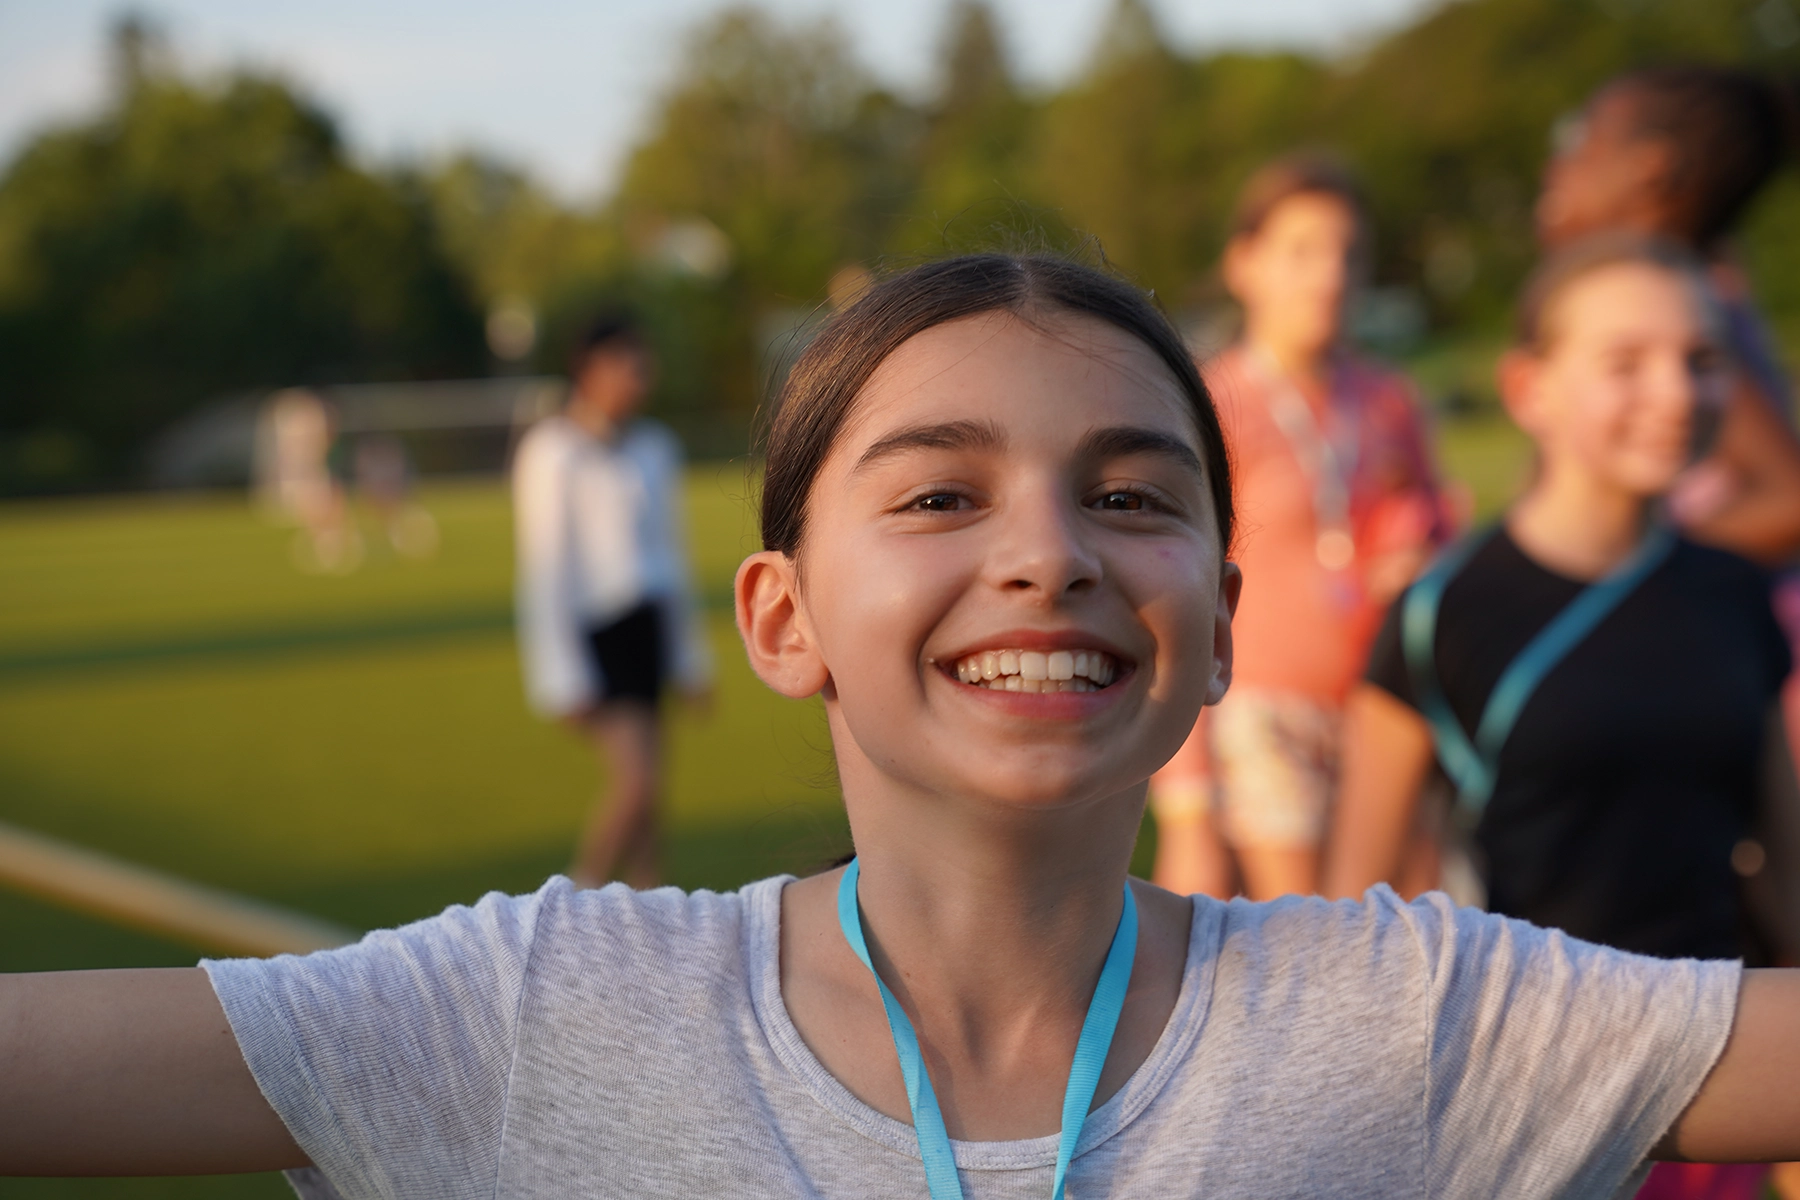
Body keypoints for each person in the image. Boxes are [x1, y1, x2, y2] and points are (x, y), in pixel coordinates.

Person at [10, 253, 1800, 1197]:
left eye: (1131, 497)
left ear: (1221, 628)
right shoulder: (532, 1017)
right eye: (941, 496)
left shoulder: (1409, 1021)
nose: (1049, 554)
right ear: (782, 620)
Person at [1322, 236, 1800, 1197]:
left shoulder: (1736, 595)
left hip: (1717, 1080)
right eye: (1627, 362)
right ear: (1528, 388)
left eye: (1702, 358)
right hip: (1528, 1097)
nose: (1677, 392)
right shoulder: (1441, 612)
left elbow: (1787, 874)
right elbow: (1353, 908)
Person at [1150, 155, 1452, 900]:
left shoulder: (1389, 400)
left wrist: (1421, 551)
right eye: (1302, 252)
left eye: (1349, 254)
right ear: (1243, 264)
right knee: (1310, 939)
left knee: (1415, 929)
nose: (1330, 276)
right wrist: (1188, 808)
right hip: (1264, 719)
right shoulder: (1208, 404)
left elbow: (1439, 526)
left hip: (1385, 710)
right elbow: (1168, 596)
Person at [1536, 66, 1800, 763]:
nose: (1558, 165)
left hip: (1754, 688)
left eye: (1581, 142)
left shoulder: (1684, 313)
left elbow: (1790, 499)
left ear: (1650, 169)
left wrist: (1625, 561)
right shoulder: (1688, 285)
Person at [512, 313, 711, 888]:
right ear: (588, 369)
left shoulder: (654, 446)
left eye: (643, 366)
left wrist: (689, 658)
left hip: (648, 626)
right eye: (626, 364)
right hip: (596, 631)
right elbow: (545, 565)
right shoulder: (552, 451)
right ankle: (572, 906)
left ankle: (653, 909)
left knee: (652, 799)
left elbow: (671, 554)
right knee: (635, 783)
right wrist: (560, 675)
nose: (638, 377)